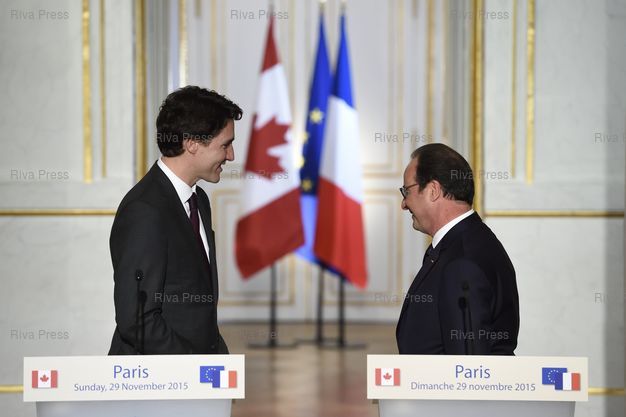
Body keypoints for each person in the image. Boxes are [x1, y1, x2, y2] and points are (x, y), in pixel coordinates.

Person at [109, 86, 242, 354]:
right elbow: (137, 321)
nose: (231, 156)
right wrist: (194, 367)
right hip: (156, 376)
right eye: (225, 145)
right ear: (191, 144)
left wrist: (217, 359)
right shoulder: (144, 210)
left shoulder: (199, 200)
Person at [396, 143, 519, 355]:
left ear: (433, 190)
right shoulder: (468, 241)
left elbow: (467, 365)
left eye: (406, 191)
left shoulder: (462, 262)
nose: (404, 204)